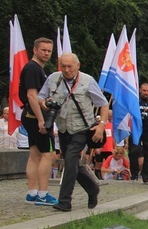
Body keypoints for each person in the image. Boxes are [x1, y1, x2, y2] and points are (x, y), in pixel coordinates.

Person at [37, 52, 108, 212]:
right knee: (72, 163)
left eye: (70, 66)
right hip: (63, 128)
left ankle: (65, 201)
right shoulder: (53, 78)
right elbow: (40, 97)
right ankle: (92, 188)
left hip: (82, 128)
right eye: (63, 66)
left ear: (78, 66)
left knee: (70, 159)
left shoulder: (87, 81)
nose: (67, 70)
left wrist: (102, 125)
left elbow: (103, 103)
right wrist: (44, 103)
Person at [20, 38, 58, 205]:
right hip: (35, 117)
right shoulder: (33, 68)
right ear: (34, 50)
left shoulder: (37, 69)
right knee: (49, 154)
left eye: (49, 51)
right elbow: (31, 95)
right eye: (43, 50)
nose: (46, 53)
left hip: (30, 116)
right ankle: (43, 194)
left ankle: (32, 192)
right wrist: (41, 120)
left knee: (35, 155)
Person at [128, 83, 148, 183]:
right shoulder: (135, 101)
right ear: (140, 90)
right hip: (136, 130)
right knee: (133, 151)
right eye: (144, 91)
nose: (146, 93)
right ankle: (134, 174)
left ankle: (146, 176)